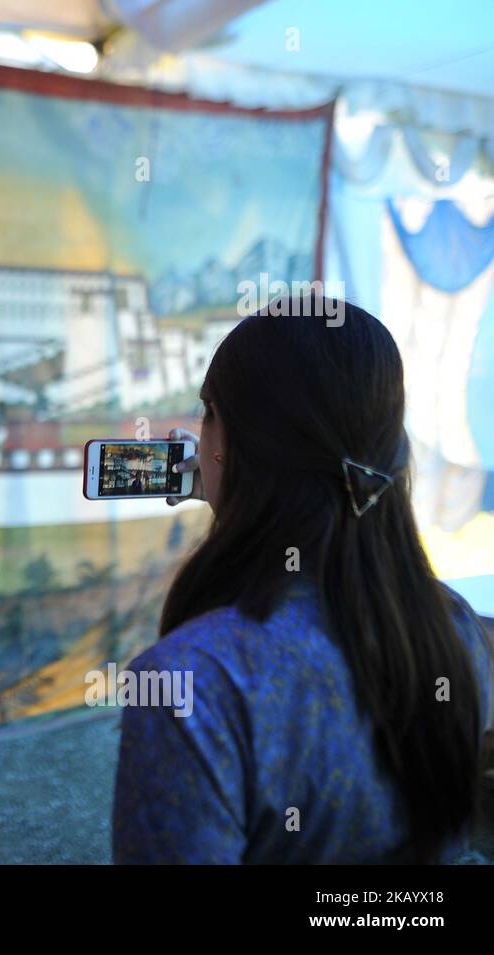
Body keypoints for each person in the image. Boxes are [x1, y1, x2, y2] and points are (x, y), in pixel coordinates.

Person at [112, 297, 494, 864]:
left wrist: (234, 490)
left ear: (223, 442)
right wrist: (237, 490)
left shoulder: (187, 687)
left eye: (207, 414)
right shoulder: (459, 629)